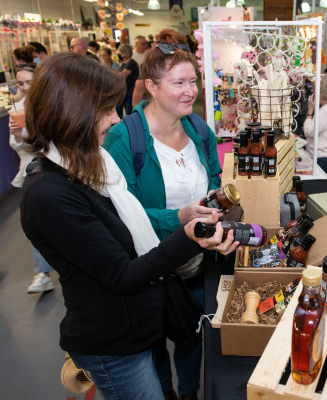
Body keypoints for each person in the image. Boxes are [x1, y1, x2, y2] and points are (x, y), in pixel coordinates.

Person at [20, 52, 239, 400]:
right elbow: (122, 275)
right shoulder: (50, 194)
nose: (116, 118)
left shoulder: (90, 164)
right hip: (114, 343)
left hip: (135, 321)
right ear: (74, 112)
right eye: (107, 109)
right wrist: (188, 233)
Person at [103, 29, 222, 400]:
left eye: (192, 81)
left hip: (197, 263)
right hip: (148, 269)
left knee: (190, 333)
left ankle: (188, 393)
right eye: (178, 83)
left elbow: (215, 177)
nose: (190, 91)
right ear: (151, 87)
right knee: (152, 341)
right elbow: (119, 212)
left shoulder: (200, 129)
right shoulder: (125, 139)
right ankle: (164, 392)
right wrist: (179, 218)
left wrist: (217, 204)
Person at [8, 62, 55, 293]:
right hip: (31, 171)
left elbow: (49, 141)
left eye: (29, 81)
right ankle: (42, 273)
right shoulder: (18, 107)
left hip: (54, 170)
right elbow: (16, 145)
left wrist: (24, 137)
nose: (25, 87)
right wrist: (18, 136)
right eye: (20, 83)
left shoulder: (50, 104)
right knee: (35, 223)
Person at [117, 44, 139, 115]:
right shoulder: (124, 64)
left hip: (130, 93)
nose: (119, 54)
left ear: (124, 53)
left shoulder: (132, 63)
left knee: (129, 113)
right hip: (124, 93)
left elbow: (123, 74)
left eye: (120, 52)